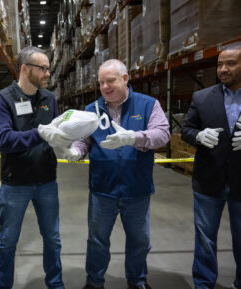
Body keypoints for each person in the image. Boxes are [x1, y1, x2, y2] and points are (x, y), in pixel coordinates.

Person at [61, 59, 170, 289]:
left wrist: (133, 138)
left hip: (136, 189)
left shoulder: (148, 105)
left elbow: (162, 134)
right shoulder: (92, 111)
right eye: (101, 82)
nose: (105, 87)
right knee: (97, 241)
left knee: (140, 241)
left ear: (125, 79)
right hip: (103, 190)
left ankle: (137, 280)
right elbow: (83, 142)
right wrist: (74, 152)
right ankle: (94, 282)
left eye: (110, 81)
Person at [0, 46, 71, 289]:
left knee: (53, 239)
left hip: (47, 181)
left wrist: (67, 144)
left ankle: (55, 284)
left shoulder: (49, 99)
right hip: (16, 184)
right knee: (8, 242)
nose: (48, 73)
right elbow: (3, 140)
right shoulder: (4, 99)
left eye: (48, 68)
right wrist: (39, 134)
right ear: (25, 69)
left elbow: (56, 133)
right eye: (43, 68)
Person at [181, 43, 241, 289]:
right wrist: (198, 136)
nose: (223, 69)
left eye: (230, 64)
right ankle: (204, 283)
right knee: (205, 238)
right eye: (219, 64)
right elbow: (186, 129)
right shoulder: (202, 97)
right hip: (208, 179)